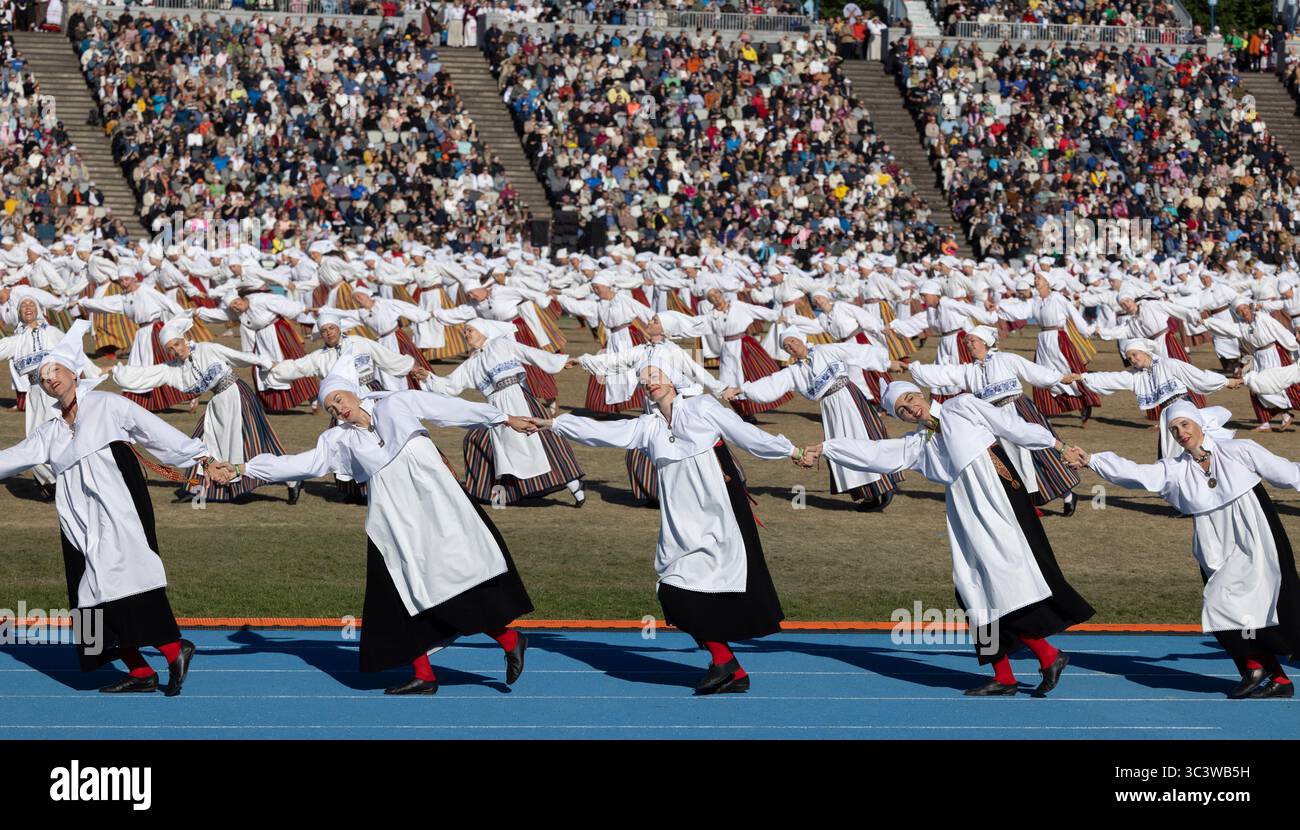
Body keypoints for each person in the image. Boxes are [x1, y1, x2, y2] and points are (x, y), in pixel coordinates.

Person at [209, 352, 539, 695]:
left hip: (439, 507)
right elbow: (297, 464)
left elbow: (449, 409)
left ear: (352, 391)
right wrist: (240, 469)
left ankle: (509, 638)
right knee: (396, 593)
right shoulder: (338, 440)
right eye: (331, 409)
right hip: (393, 521)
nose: (338, 409)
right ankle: (424, 674)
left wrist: (503, 418)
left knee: (460, 577)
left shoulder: (396, 404)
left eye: (339, 399)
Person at [805, 380, 1096, 696]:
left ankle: (1048, 655)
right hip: (965, 512)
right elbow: (876, 452)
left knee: (1009, 582)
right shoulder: (919, 442)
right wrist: (827, 447)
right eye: (901, 408)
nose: (909, 407)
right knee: (972, 588)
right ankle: (1006, 676)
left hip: (1000, 501)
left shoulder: (962, 406)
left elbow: (1012, 426)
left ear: (922, 394)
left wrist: (1060, 446)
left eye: (910, 398)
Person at [540, 363, 802, 695]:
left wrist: (792, 450)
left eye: (656, 376)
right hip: (682, 524)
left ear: (674, 380)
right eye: (645, 381)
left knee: (713, 589)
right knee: (673, 591)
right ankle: (727, 665)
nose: (650, 383)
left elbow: (746, 435)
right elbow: (602, 433)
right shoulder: (648, 427)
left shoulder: (702, 407)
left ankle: (726, 664)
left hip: (720, 514)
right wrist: (553, 423)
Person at [0, 321, 208, 695]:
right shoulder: (50, 430)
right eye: (43, 377)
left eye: (55, 372)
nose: (50, 380)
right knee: (87, 594)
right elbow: (13, 458)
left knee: (130, 577)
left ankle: (175, 648)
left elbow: (154, 432)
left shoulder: (107, 404)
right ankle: (140, 672)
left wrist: (200, 457)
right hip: (77, 519)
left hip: (118, 503)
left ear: (74, 373)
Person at [1070, 402, 1300, 698]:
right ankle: (1272, 675)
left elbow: (1287, 473)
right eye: (1174, 429)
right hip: (1215, 543)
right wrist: (1091, 460)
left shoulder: (1240, 450)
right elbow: (1136, 473)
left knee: (1260, 606)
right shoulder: (1175, 469)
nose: (1181, 432)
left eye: (1185, 425)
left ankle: (1261, 669)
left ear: (1199, 424)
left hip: (1255, 533)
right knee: (1221, 606)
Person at [109, 314, 301, 505]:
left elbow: (239, 357)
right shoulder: (174, 369)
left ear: (184, 339)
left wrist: (267, 363)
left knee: (256, 442)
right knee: (203, 440)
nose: (176, 350)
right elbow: (147, 374)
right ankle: (197, 488)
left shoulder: (207, 349)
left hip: (238, 395)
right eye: (170, 349)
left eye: (177, 344)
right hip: (218, 401)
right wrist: (117, 372)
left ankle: (292, 478)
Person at [906, 325, 1080, 514]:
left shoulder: (1006, 359)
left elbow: (1033, 371)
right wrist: (913, 368)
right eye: (967, 342)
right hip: (992, 419)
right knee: (1009, 462)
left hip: (1019, 410)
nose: (969, 345)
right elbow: (943, 373)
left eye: (973, 341)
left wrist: (1060, 377)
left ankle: (1068, 494)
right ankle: (1028, 504)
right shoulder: (967, 371)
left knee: (1041, 452)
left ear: (985, 342)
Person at [724, 330, 904, 511]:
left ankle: (885, 483)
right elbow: (771, 383)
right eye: (787, 346)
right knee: (843, 448)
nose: (792, 346)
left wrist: (888, 363)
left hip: (849, 398)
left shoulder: (824, 351)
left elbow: (853, 351)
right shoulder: (795, 371)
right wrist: (741, 390)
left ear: (801, 339)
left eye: (793, 341)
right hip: (830, 408)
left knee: (864, 437)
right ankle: (868, 494)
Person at [425, 318, 586, 506]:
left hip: (518, 399)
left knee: (541, 441)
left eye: (470, 330)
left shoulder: (500, 345)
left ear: (484, 331)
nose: (466, 334)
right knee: (487, 444)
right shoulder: (472, 363)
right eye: (465, 332)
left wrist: (560, 361)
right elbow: (450, 385)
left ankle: (575, 485)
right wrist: (428, 377)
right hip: (495, 408)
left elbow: (528, 353)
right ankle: (497, 494)